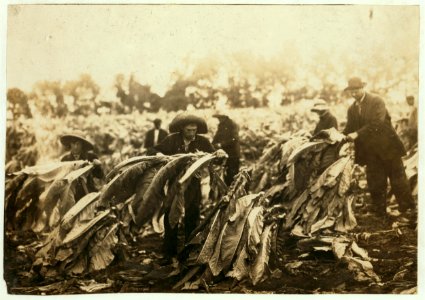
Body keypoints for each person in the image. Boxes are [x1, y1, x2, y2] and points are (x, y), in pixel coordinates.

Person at [147, 113, 226, 263]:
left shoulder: (202, 141)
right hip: (175, 181)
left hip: (193, 181)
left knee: (192, 213)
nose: (191, 133)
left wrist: (219, 154)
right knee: (171, 212)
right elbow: (152, 150)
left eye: (194, 130)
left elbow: (214, 154)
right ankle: (169, 253)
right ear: (182, 129)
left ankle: (188, 251)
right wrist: (158, 154)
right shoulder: (172, 140)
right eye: (188, 130)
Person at [342, 77, 415, 224]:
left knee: (398, 180)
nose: (354, 93)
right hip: (371, 152)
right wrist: (339, 137)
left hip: (388, 148)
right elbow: (350, 127)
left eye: (356, 90)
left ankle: (408, 211)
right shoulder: (352, 109)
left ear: (363, 88)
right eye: (351, 91)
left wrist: (357, 134)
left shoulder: (377, 101)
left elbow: (377, 123)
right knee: (375, 181)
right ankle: (379, 211)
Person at [60, 131, 104, 201]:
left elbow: (100, 175)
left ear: (82, 145)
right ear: (70, 144)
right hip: (72, 196)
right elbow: (62, 180)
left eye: (78, 144)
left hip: (89, 194)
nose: (75, 147)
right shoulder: (65, 160)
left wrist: (98, 166)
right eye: (73, 144)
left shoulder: (91, 157)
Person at [212, 113, 241, 186]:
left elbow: (235, 139)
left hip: (233, 154)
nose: (219, 119)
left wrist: (222, 144)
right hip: (224, 154)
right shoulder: (221, 125)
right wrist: (212, 144)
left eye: (220, 117)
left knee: (232, 176)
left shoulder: (232, 124)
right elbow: (217, 136)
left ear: (224, 117)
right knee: (222, 174)